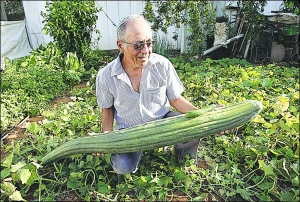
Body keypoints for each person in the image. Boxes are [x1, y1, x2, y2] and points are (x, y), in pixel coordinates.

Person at [95, 14, 201, 175]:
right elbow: (107, 109)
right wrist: (106, 137)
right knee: (122, 167)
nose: (145, 51)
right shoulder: (105, 75)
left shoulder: (162, 65)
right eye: (138, 45)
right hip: (129, 131)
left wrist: (204, 115)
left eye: (149, 43)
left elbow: (176, 99)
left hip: (162, 123)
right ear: (120, 45)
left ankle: (180, 153)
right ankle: (135, 152)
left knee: (194, 128)